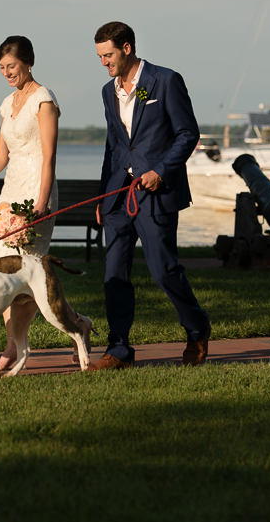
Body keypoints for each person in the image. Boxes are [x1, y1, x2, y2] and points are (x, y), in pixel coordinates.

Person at [0, 35, 90, 370]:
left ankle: (12, 347)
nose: (7, 72)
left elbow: (49, 156)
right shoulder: (8, 103)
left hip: (36, 191)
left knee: (28, 273)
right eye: (1, 67)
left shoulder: (43, 100)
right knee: (0, 274)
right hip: (10, 192)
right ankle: (78, 325)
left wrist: (41, 203)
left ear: (28, 62)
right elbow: (0, 155)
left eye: (11, 66)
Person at [88, 21, 211, 370]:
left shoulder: (165, 80)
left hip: (155, 194)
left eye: (108, 55)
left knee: (163, 271)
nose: (104, 63)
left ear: (127, 48)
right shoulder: (108, 91)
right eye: (99, 56)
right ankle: (119, 349)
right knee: (114, 274)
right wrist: (102, 196)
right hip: (117, 198)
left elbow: (187, 134)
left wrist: (161, 171)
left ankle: (197, 326)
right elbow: (115, 145)